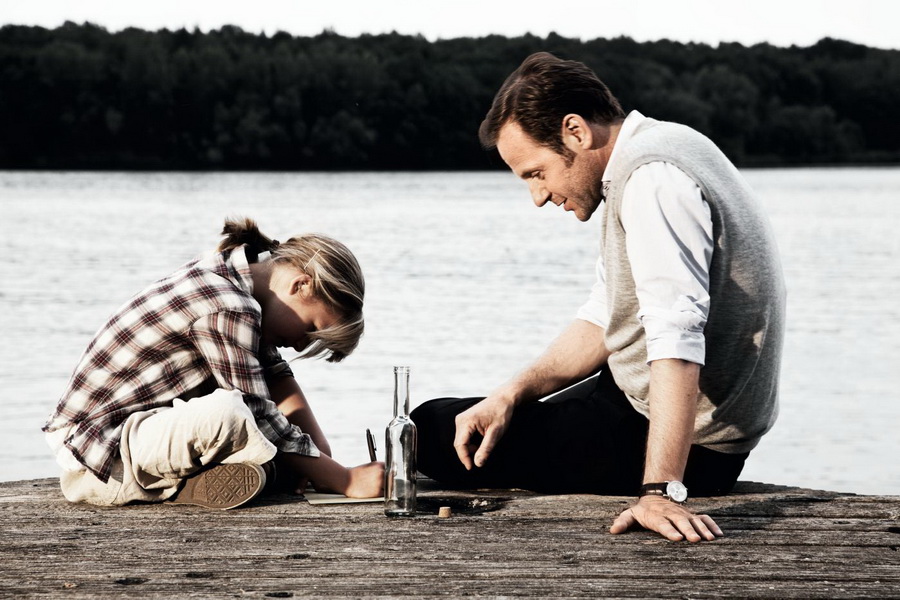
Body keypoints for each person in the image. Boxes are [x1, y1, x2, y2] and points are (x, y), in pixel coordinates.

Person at [412, 52, 785, 542]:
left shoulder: (652, 179)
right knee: (473, 419)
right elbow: (604, 316)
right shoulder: (664, 147)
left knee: (429, 430)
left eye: (536, 173)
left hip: (691, 445)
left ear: (575, 132)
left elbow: (677, 337)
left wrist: (660, 491)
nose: (538, 197)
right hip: (633, 398)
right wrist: (509, 395)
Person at [43, 217, 384, 509]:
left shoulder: (239, 282)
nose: (300, 345)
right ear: (301, 285)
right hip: (102, 455)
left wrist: (320, 458)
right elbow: (257, 412)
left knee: (274, 443)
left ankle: (211, 479)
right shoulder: (229, 304)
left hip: (140, 438)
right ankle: (188, 483)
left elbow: (276, 376)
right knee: (232, 413)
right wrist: (344, 479)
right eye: (311, 329)